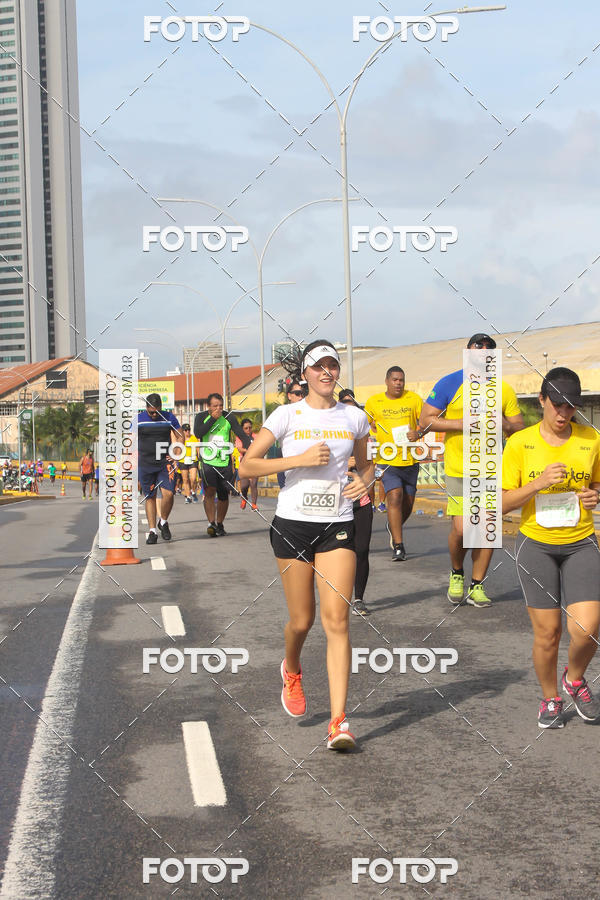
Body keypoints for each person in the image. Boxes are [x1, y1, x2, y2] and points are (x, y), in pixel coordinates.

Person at [239, 340, 373, 750]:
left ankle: (338, 722)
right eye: (319, 367)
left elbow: (367, 465)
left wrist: (364, 481)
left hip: (337, 524)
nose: (327, 373)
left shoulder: (355, 417)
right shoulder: (286, 415)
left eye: (333, 366)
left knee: (338, 621)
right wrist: (295, 460)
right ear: (306, 374)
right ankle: (292, 668)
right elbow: (246, 465)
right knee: (303, 621)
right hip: (293, 525)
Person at [502, 368, 600, 728]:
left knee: (587, 628)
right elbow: (500, 504)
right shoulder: (520, 444)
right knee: (548, 633)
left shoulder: (591, 439)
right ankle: (550, 698)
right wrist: (539, 483)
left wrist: (595, 495)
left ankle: (574, 679)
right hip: (536, 544)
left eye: (570, 407)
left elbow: (598, 485)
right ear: (541, 401)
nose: (562, 414)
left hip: (581, 542)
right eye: (556, 405)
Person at [419, 333, 524, 606]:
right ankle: (457, 572)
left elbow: (519, 429)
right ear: (468, 351)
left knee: (487, 527)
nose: (484, 352)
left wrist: (504, 424)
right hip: (458, 468)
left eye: (489, 349)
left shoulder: (502, 388)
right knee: (463, 528)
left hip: (490, 469)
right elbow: (426, 421)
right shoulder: (450, 382)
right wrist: (464, 423)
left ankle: (478, 584)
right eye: (479, 348)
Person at [365, 367, 423, 561]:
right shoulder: (374, 402)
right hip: (386, 460)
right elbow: (362, 425)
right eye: (395, 380)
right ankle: (399, 546)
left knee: (407, 503)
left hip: (410, 459)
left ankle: (393, 525)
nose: (399, 383)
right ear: (387, 381)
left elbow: (426, 422)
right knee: (395, 496)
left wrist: (419, 433)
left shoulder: (414, 399)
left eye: (402, 380)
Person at [194, 393, 250, 537]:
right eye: (215, 406)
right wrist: (213, 419)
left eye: (220, 406)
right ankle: (211, 523)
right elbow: (198, 432)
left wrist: (249, 447)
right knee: (210, 492)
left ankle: (219, 523)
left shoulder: (229, 417)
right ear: (208, 407)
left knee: (224, 494)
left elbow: (240, 433)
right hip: (207, 461)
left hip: (224, 461)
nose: (218, 409)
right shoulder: (201, 417)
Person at [339, 389, 374, 617]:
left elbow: (371, 467)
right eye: (344, 404)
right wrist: (343, 462)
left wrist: (361, 467)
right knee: (341, 553)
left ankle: (359, 598)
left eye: (353, 404)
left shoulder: (364, 437)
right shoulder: (331, 433)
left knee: (362, 550)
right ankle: (341, 597)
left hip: (361, 500)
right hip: (335, 502)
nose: (349, 408)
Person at [137, 393, 183, 545]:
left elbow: (180, 436)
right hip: (145, 464)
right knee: (150, 497)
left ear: (161, 408)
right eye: (151, 412)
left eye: (157, 411)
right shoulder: (138, 419)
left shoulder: (169, 417)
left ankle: (163, 522)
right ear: (146, 408)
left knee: (169, 494)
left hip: (165, 463)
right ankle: (152, 532)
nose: (155, 414)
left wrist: (176, 455)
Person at [237, 419, 259, 510]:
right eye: (246, 428)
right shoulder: (240, 437)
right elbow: (239, 449)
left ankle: (254, 504)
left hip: (255, 462)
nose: (248, 429)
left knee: (254, 483)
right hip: (244, 463)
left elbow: (261, 446)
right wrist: (248, 451)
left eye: (250, 427)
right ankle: (244, 497)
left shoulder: (256, 436)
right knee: (244, 485)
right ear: (242, 429)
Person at [180, 423, 200, 504]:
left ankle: (193, 491)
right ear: (182, 431)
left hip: (193, 460)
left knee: (193, 478)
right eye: (185, 430)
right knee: (185, 479)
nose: (187, 431)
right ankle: (188, 497)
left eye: (189, 430)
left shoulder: (194, 438)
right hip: (182, 460)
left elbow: (198, 449)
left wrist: (200, 459)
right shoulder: (180, 439)